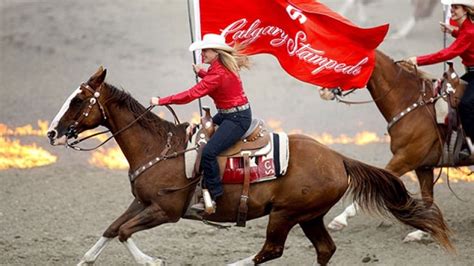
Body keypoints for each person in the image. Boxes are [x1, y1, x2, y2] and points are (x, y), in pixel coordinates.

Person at [150, 33, 252, 211]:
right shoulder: (218, 68)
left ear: (217, 52)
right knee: (198, 133)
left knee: (209, 153)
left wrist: (162, 101)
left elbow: (191, 94)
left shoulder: (217, 73)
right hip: (230, 114)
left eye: (205, 50)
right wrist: (202, 72)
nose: (202, 54)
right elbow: (215, 80)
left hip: (236, 119)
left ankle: (214, 195)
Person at [405, 0, 474, 153]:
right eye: (452, 8)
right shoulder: (466, 28)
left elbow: (448, 53)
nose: (452, 11)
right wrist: (453, 31)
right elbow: (465, 38)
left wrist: (418, 60)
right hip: (471, 72)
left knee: (465, 104)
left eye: (456, 8)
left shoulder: (468, 31)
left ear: (465, 10)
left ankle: (470, 144)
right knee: (451, 97)